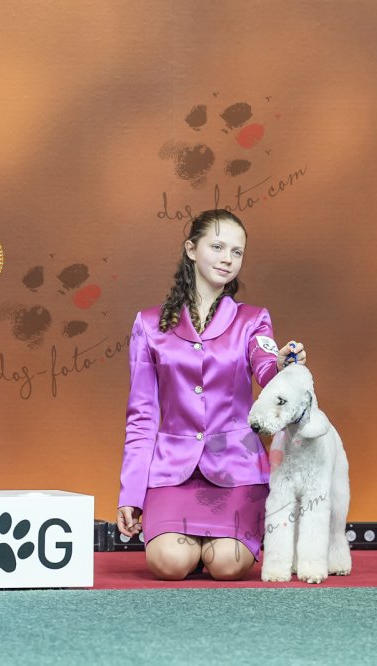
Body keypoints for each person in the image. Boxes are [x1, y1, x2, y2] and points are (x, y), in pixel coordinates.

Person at [116, 209, 307, 581]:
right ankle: (189, 545)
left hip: (237, 469)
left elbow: (266, 369)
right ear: (191, 249)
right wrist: (131, 493)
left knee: (227, 564)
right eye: (217, 247)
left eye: (237, 252)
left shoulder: (253, 319)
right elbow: (141, 416)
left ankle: (212, 546)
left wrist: (283, 366)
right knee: (169, 563)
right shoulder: (148, 325)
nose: (227, 259)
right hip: (172, 473)